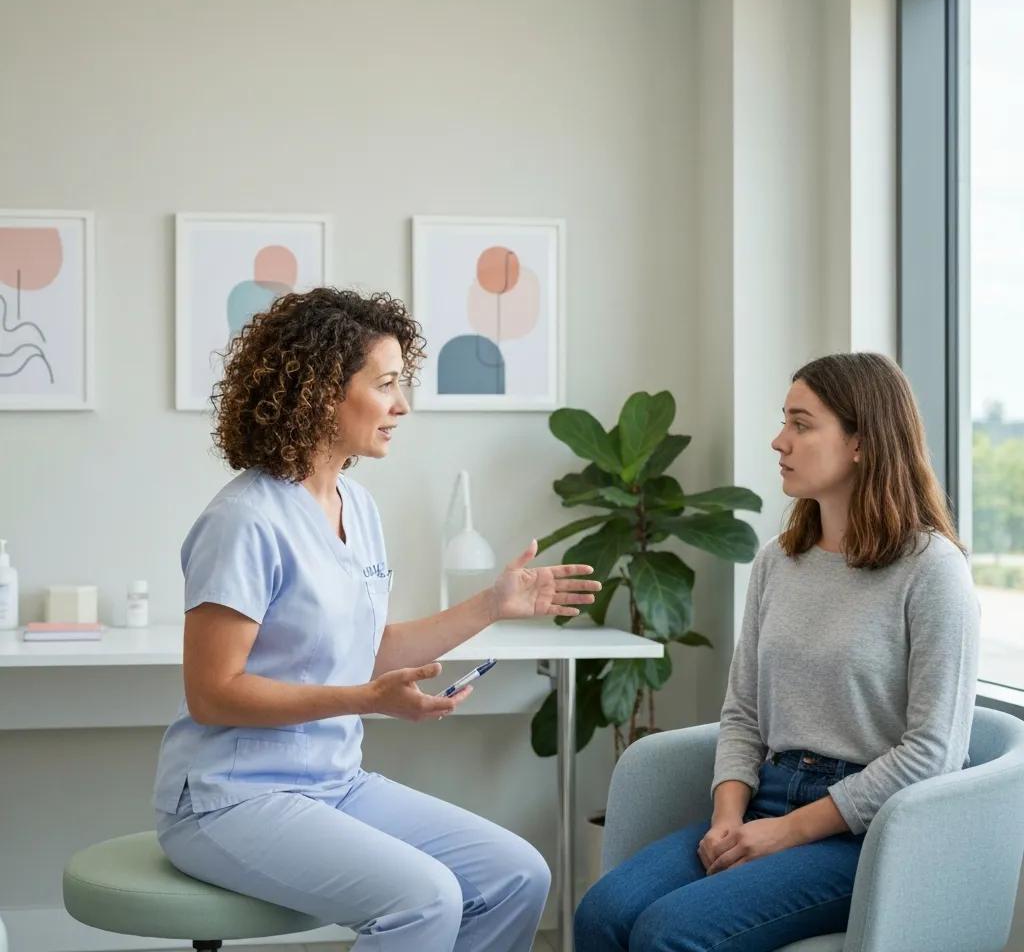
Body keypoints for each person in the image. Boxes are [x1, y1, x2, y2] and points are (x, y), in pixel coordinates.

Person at [152, 288, 601, 952]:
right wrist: (365, 699)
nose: (402, 405)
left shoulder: (356, 507)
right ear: (320, 393)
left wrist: (493, 604)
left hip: (332, 783)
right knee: (426, 899)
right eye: (386, 384)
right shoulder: (243, 519)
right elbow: (213, 693)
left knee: (517, 876)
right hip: (229, 797)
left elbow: (368, 647)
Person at [575, 352, 980, 952]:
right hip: (766, 795)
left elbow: (933, 753)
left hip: (869, 832)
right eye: (783, 421)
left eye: (801, 424)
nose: (779, 440)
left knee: (670, 932)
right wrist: (728, 818)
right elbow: (743, 713)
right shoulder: (779, 561)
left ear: (861, 442)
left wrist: (787, 832)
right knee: (602, 912)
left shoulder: (932, 570)